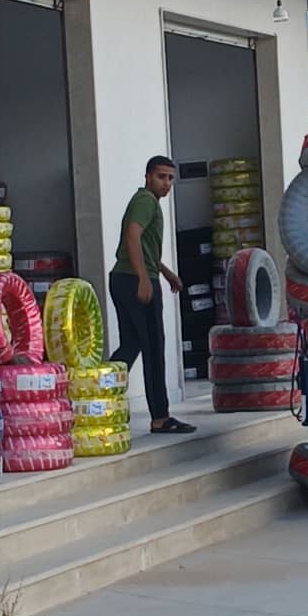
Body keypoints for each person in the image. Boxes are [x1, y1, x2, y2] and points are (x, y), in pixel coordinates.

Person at [109, 156, 196, 434]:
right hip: (134, 279)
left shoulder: (145, 202)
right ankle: (160, 417)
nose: (166, 183)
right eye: (161, 177)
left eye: (171, 178)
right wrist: (144, 279)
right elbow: (132, 236)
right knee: (153, 347)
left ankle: (100, 393)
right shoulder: (146, 201)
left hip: (123, 278)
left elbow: (144, 247)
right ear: (148, 177)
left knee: (131, 344)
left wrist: (166, 272)